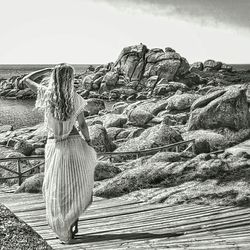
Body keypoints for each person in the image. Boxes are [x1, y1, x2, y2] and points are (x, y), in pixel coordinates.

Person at [22, 63, 97, 244]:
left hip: (55, 146)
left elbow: (25, 80)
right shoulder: (76, 98)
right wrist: (88, 142)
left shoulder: (48, 95)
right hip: (75, 144)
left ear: (55, 77)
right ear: (70, 79)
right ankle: (73, 223)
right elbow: (83, 125)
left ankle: (64, 226)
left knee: (58, 188)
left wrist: (46, 71)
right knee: (76, 186)